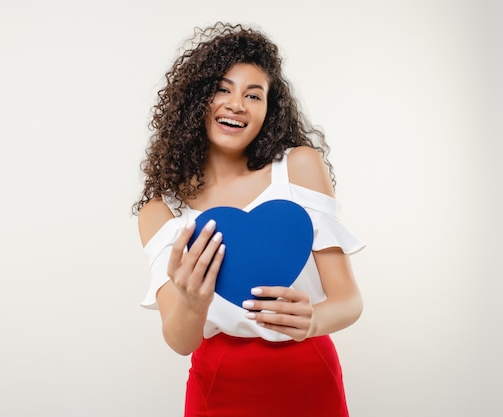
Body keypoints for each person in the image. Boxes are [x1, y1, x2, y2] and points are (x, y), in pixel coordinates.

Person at [133, 22, 364, 417]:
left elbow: (349, 301)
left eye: (253, 95)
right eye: (223, 89)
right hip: (218, 387)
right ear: (195, 100)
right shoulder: (161, 211)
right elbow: (180, 340)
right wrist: (191, 301)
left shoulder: (299, 168)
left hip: (310, 377)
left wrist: (313, 319)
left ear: (267, 111)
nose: (237, 103)